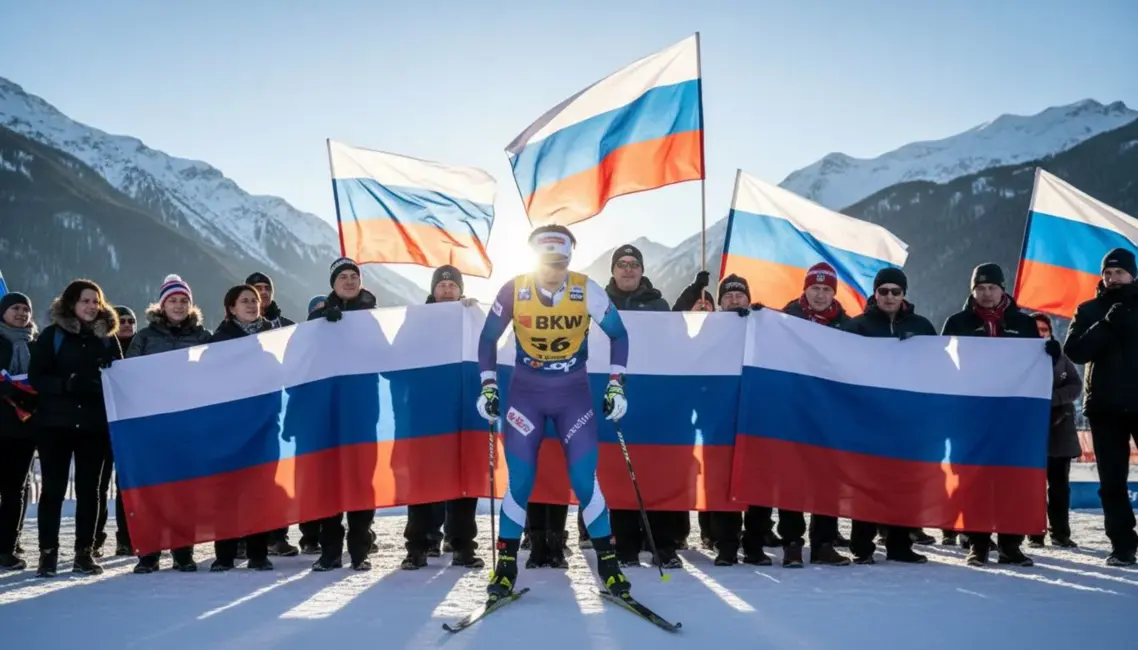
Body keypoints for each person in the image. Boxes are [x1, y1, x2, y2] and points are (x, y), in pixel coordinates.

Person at [476, 225, 632, 600]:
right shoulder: (515, 289)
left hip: (572, 394)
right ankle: (506, 566)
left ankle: (609, 565)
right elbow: (487, 337)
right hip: (526, 395)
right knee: (521, 481)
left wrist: (616, 384)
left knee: (583, 480)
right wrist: (488, 385)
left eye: (560, 262)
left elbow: (619, 334)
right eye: (547, 262)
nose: (553, 269)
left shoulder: (585, 288)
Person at [941, 263, 1045, 567]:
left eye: (992, 287)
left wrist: (1048, 354)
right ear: (973, 291)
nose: (986, 294)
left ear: (1003, 289)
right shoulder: (957, 321)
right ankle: (978, 543)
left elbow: (1035, 367)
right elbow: (940, 362)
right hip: (970, 413)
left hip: (1012, 414)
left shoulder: (1023, 324)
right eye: (980, 288)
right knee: (973, 479)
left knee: (1011, 477)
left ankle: (1011, 544)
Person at [28, 279, 124, 577]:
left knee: (89, 490)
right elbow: (36, 377)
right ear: (71, 303)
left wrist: (102, 386)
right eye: (86, 301)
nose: (92, 306)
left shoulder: (108, 338)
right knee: (53, 490)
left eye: (96, 301)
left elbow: (119, 377)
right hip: (55, 424)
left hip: (93, 425)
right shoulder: (52, 336)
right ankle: (48, 553)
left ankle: (85, 552)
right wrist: (65, 385)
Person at [841, 268, 935, 564]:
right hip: (868, 418)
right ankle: (862, 546)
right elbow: (842, 366)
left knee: (904, 482)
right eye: (884, 291)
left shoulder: (922, 326)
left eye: (896, 291)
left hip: (908, 419)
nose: (890, 297)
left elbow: (940, 367)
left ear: (904, 293)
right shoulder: (858, 327)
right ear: (875, 293)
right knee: (866, 482)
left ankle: (899, 545)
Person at [604, 244, 685, 569]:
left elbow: (675, 345)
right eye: (622, 264)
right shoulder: (598, 304)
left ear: (641, 270)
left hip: (653, 399)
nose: (627, 269)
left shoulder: (658, 304)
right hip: (614, 396)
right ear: (613, 270)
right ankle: (624, 545)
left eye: (633, 264)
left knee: (656, 471)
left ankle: (662, 545)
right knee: (617, 471)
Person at [127, 274, 213, 573]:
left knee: (184, 491)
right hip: (154, 425)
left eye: (183, 301)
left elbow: (216, 374)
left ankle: (183, 551)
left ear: (191, 305)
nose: (178, 305)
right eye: (173, 300)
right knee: (153, 489)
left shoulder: (203, 337)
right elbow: (129, 378)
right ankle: (149, 553)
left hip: (189, 424)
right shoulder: (145, 338)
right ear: (162, 305)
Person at [403, 265, 483, 570]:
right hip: (425, 414)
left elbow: (491, 350)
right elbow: (398, 356)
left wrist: (475, 317)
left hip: (463, 411)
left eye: (453, 284)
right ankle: (418, 547)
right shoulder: (416, 319)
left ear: (460, 289)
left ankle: (463, 546)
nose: (447, 288)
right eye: (442, 284)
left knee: (465, 479)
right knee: (422, 480)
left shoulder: (471, 316)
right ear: (433, 290)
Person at [1063, 248, 1138, 566]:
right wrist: (1106, 325)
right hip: (1105, 407)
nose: (1113, 278)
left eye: (1119, 272)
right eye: (1108, 272)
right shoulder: (1089, 309)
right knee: (1111, 482)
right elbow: (1075, 351)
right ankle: (1122, 545)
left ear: (1133, 274)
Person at [309, 257, 380, 571]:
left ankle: (360, 551)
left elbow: (391, 355)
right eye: (343, 277)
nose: (350, 281)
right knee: (329, 481)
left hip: (364, 411)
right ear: (333, 284)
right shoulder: (318, 319)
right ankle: (330, 551)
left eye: (354, 276)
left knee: (362, 480)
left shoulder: (376, 318)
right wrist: (319, 324)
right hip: (328, 411)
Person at [208, 285, 276, 571]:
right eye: (244, 301)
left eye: (255, 301)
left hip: (262, 425)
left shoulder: (272, 338)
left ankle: (258, 553)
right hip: (228, 426)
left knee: (260, 489)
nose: (251, 305)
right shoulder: (218, 341)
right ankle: (224, 554)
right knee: (227, 490)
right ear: (231, 308)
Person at [244, 271, 301, 558]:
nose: (263, 293)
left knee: (277, 473)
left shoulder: (286, 326)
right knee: (247, 475)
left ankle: (277, 535)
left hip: (277, 407)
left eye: (267, 288)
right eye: (257, 289)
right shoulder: (232, 330)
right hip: (245, 411)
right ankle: (246, 535)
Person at [1029, 312, 1082, 549]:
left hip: (1059, 430)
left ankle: (1060, 532)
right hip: (1030, 430)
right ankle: (1033, 531)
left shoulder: (1059, 356)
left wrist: (1053, 397)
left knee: (1059, 487)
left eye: (1044, 329)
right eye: (1035, 329)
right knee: (1032, 487)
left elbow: (1075, 385)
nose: (1040, 334)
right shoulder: (1019, 357)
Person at [0, 292, 37, 571]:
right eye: (15, 308)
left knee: (15, 489)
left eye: (26, 309)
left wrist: (29, 396)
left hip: (24, 429)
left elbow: (43, 380)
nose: (21, 313)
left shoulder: (35, 345)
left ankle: (7, 548)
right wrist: (11, 389)